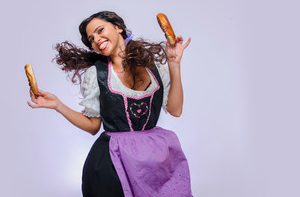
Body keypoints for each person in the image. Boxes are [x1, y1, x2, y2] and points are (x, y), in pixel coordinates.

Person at [27, 11, 192, 197]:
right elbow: (92, 126)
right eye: (91, 39)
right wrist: (58, 105)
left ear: (118, 27)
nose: (96, 40)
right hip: (113, 162)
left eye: (100, 30)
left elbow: (175, 110)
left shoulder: (153, 66)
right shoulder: (96, 74)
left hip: (156, 159)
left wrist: (174, 64)